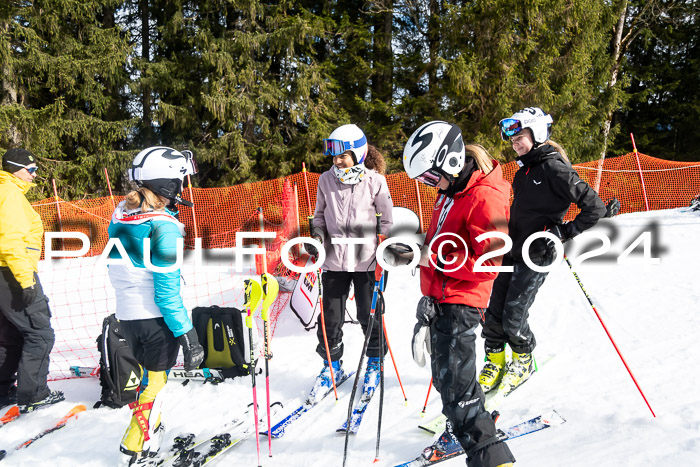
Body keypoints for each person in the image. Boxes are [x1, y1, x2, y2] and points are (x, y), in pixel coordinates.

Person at [403, 121, 515, 467]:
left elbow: (487, 262)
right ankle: (473, 420)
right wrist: (410, 249)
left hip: (463, 303)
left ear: (449, 161)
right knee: (449, 380)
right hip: (442, 299)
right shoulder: (451, 193)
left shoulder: (485, 196)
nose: (428, 186)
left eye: (429, 177)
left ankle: (494, 459)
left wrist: (430, 256)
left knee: (456, 392)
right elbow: (443, 243)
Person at [479, 107, 607, 397]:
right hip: (513, 248)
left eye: (520, 137)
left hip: (538, 252)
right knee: (493, 309)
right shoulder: (524, 169)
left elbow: (595, 207)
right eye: (512, 139)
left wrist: (563, 232)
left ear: (537, 134)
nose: (515, 143)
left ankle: (522, 360)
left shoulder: (554, 167)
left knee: (514, 312)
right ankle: (495, 361)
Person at [108, 146, 204, 462]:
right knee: (156, 384)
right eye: (180, 181)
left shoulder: (121, 212)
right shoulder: (165, 227)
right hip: (155, 319)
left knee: (147, 380)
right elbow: (166, 293)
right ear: (168, 185)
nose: (183, 187)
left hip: (127, 316)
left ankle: (151, 431)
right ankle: (134, 447)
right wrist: (187, 334)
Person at [305, 124, 393, 402]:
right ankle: (332, 367)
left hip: (366, 260)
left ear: (358, 153)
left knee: (369, 315)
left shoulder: (375, 181)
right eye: (333, 156)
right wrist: (317, 234)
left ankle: (375, 364)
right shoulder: (325, 181)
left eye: (342, 155)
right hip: (333, 261)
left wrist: (385, 244)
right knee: (329, 319)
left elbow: (388, 220)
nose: (337, 161)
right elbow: (319, 216)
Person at [0, 148, 65, 413]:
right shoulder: (10, 195)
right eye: (31, 170)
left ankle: (3, 390)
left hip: (6, 273)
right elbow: (10, 241)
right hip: (13, 273)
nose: (34, 175)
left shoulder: (7, 192)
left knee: (11, 336)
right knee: (39, 333)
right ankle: (35, 394)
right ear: (15, 169)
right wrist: (26, 280)